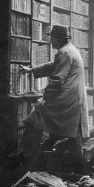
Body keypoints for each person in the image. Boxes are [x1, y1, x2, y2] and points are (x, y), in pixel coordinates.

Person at [20, 25, 89, 173]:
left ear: (58, 39)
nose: (50, 41)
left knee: (34, 120)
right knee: (71, 134)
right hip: (73, 99)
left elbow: (56, 80)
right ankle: (80, 168)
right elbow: (53, 66)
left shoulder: (64, 53)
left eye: (52, 38)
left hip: (66, 100)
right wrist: (32, 70)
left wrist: (42, 99)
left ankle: (28, 162)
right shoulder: (69, 50)